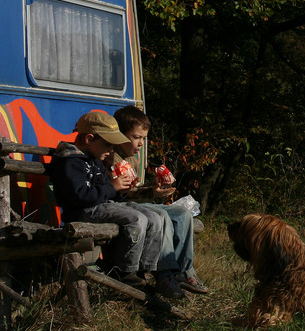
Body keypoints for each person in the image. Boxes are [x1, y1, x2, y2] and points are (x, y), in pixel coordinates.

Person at [48, 110, 163, 289]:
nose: (111, 151)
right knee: (136, 219)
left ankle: (145, 269)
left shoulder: (94, 159)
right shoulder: (71, 162)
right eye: (108, 145)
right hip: (83, 211)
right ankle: (125, 271)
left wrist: (122, 190)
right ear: (89, 139)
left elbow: (109, 194)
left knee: (154, 217)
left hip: (100, 207)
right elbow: (81, 196)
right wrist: (112, 187)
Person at [109, 106, 209, 295]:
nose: (140, 144)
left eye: (143, 139)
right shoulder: (112, 158)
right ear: (121, 135)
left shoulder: (132, 157)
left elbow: (134, 190)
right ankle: (164, 273)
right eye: (136, 137)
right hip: (121, 207)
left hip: (133, 203)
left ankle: (185, 270)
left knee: (182, 213)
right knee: (161, 214)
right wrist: (150, 194)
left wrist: (153, 190)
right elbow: (121, 194)